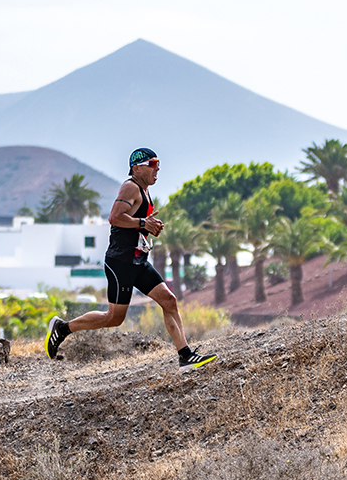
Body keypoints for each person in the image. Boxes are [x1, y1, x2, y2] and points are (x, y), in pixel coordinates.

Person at [44, 147, 217, 372]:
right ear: (137, 168)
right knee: (114, 318)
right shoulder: (130, 187)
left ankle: (185, 356)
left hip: (138, 261)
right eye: (152, 164)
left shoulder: (144, 191)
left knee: (169, 301)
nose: (157, 169)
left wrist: (148, 228)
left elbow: (135, 222)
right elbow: (115, 218)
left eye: (158, 164)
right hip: (121, 262)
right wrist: (144, 224)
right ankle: (63, 328)